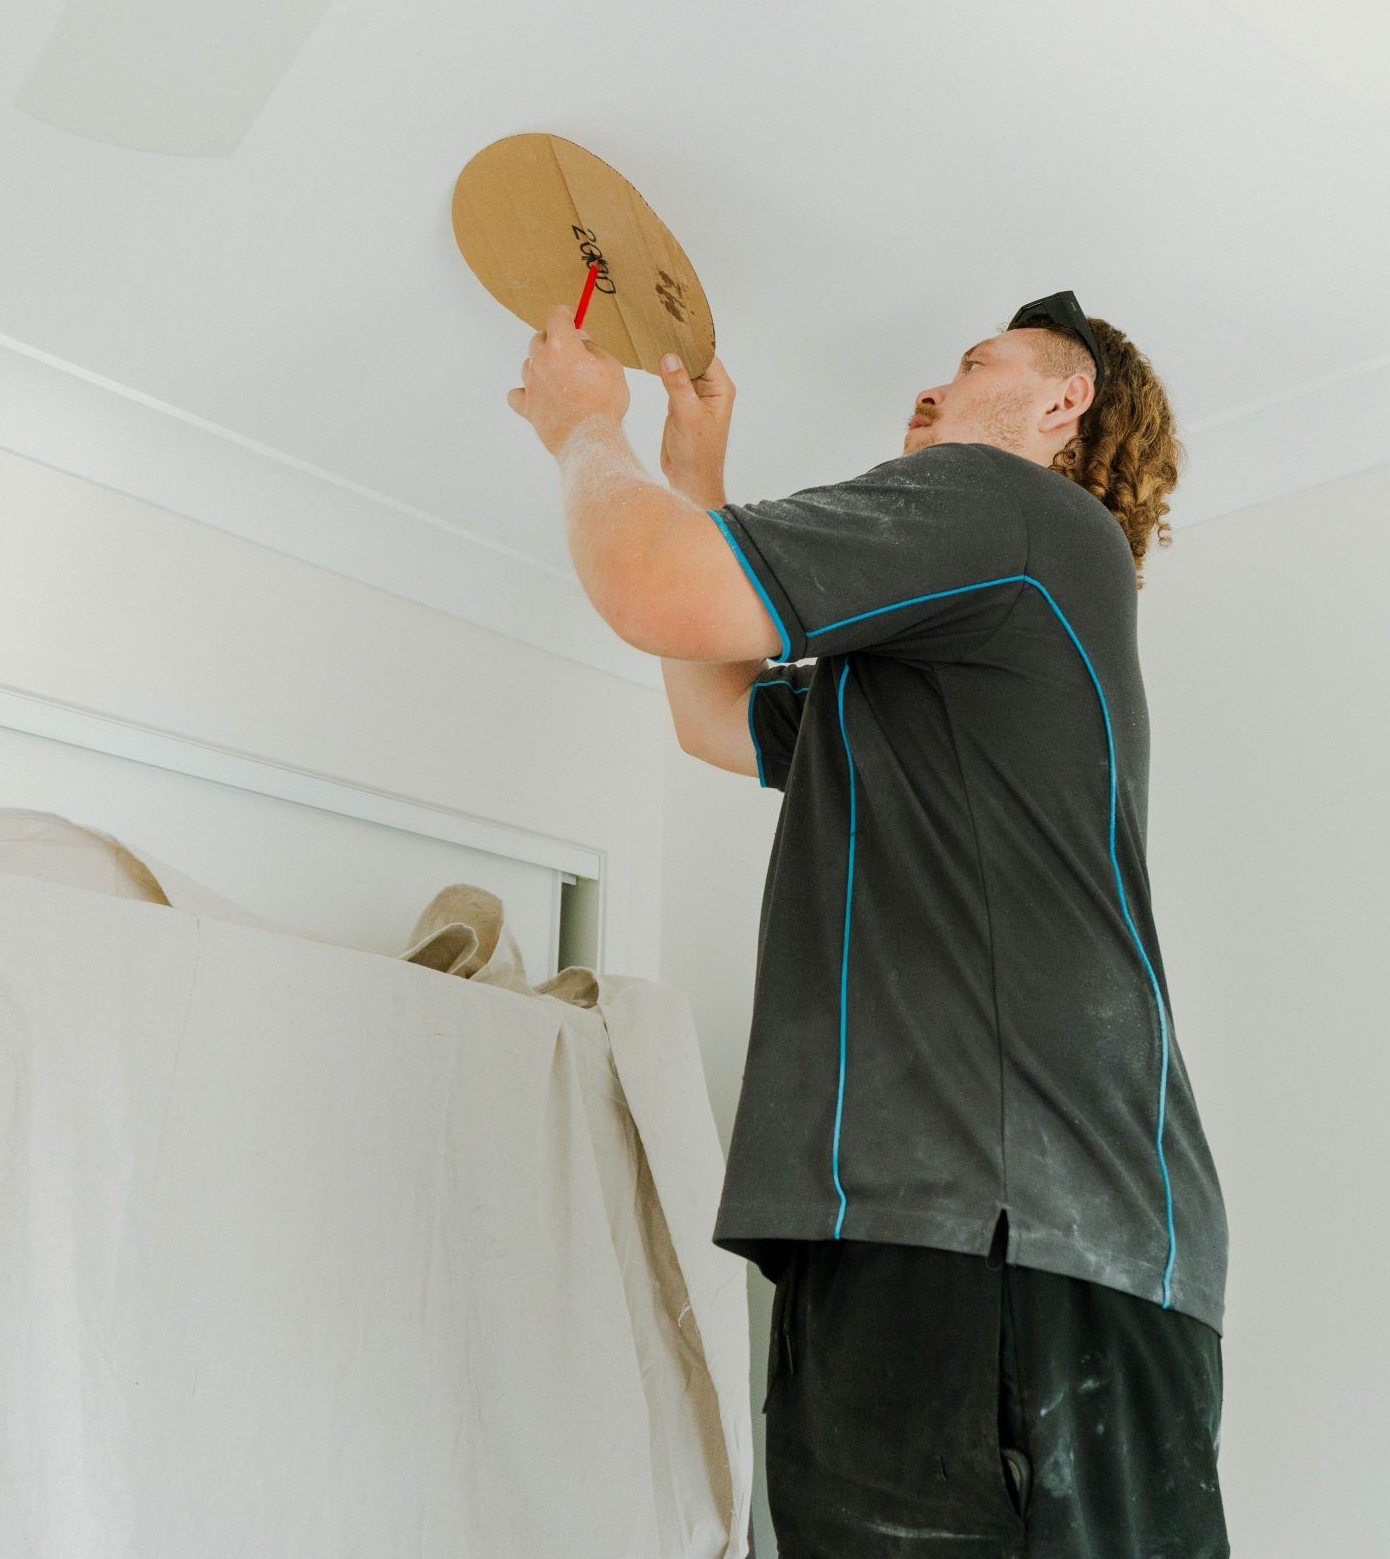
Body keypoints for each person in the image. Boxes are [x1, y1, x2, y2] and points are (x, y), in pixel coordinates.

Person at [507, 291, 1228, 1558]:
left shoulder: (1006, 506)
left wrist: (584, 430)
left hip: (994, 1227)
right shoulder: (926, 661)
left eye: (973, 361)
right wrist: (691, 469)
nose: (932, 388)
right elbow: (712, 713)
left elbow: (653, 586)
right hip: (941, 1229)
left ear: (1063, 403)